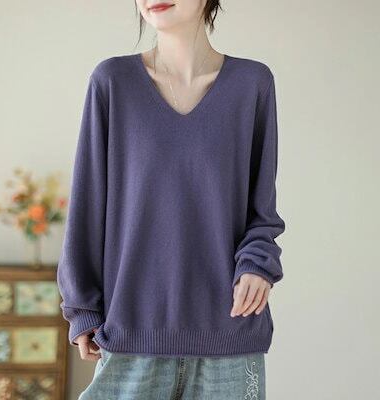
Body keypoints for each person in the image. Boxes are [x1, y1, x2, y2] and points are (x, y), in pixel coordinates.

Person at [57, 1, 286, 399]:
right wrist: (82, 306)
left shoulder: (252, 83)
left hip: (229, 336)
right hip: (133, 332)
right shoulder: (112, 82)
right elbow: (86, 207)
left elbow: (261, 209)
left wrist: (257, 265)